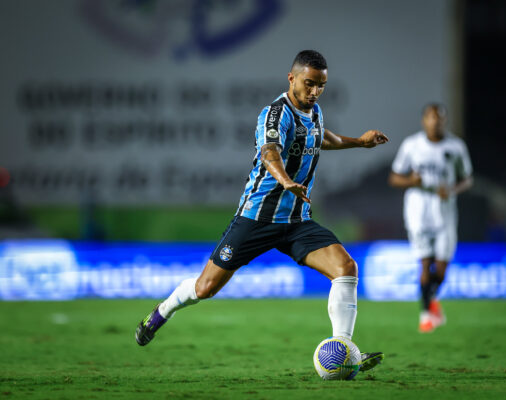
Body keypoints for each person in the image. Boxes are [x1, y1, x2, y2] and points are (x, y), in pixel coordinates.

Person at [135, 50, 389, 372]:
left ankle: (344, 349)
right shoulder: (274, 114)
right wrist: (285, 181)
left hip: (296, 220)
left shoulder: (314, 111)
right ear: (291, 78)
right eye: (309, 84)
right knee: (205, 288)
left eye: (321, 86)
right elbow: (270, 152)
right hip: (257, 218)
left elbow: (321, 136)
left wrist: (359, 142)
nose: (314, 92)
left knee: (345, 268)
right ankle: (161, 313)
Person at [388, 103, 472, 333]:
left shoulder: (456, 146)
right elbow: (395, 178)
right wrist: (410, 182)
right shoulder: (412, 145)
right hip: (418, 211)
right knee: (425, 263)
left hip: (444, 212)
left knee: (442, 268)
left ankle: (432, 301)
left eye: (439, 119)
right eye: (430, 118)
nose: (435, 122)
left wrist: (452, 190)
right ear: (424, 120)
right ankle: (426, 314)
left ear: (445, 121)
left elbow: (467, 178)